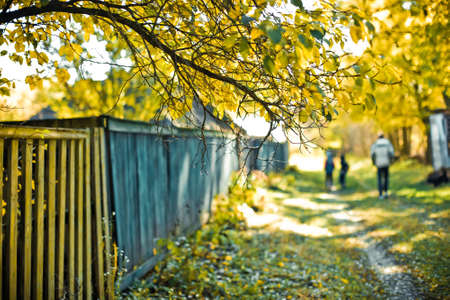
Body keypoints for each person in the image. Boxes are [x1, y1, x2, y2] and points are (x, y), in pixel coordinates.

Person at [370, 134, 395, 199]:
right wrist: (391, 161)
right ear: (383, 137)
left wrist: (373, 162)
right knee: (386, 178)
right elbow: (391, 152)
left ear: (378, 137)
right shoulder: (387, 142)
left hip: (379, 163)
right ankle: (386, 192)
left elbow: (372, 154)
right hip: (386, 163)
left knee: (379, 179)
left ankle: (380, 194)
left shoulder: (375, 143)